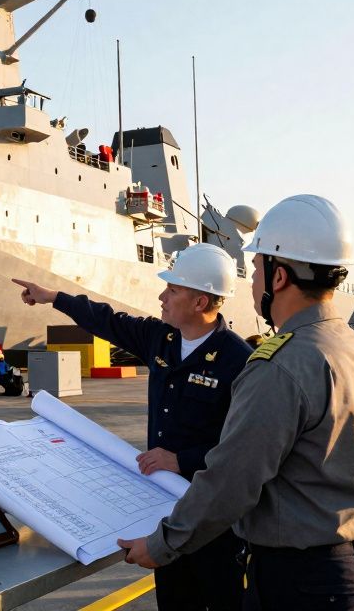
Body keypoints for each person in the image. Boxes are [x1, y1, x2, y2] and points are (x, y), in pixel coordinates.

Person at [114, 194, 354, 610]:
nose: (254, 280)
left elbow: (233, 478)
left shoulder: (279, 366)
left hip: (302, 582)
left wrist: (163, 543)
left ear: (279, 276)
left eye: (258, 266)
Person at [14, 242, 251, 610]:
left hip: (213, 517)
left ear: (200, 303)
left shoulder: (240, 361)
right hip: (163, 512)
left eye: (172, 290)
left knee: (223, 600)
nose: (162, 296)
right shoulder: (161, 338)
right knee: (174, 600)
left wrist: (181, 459)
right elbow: (107, 320)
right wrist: (53, 297)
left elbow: (248, 446)